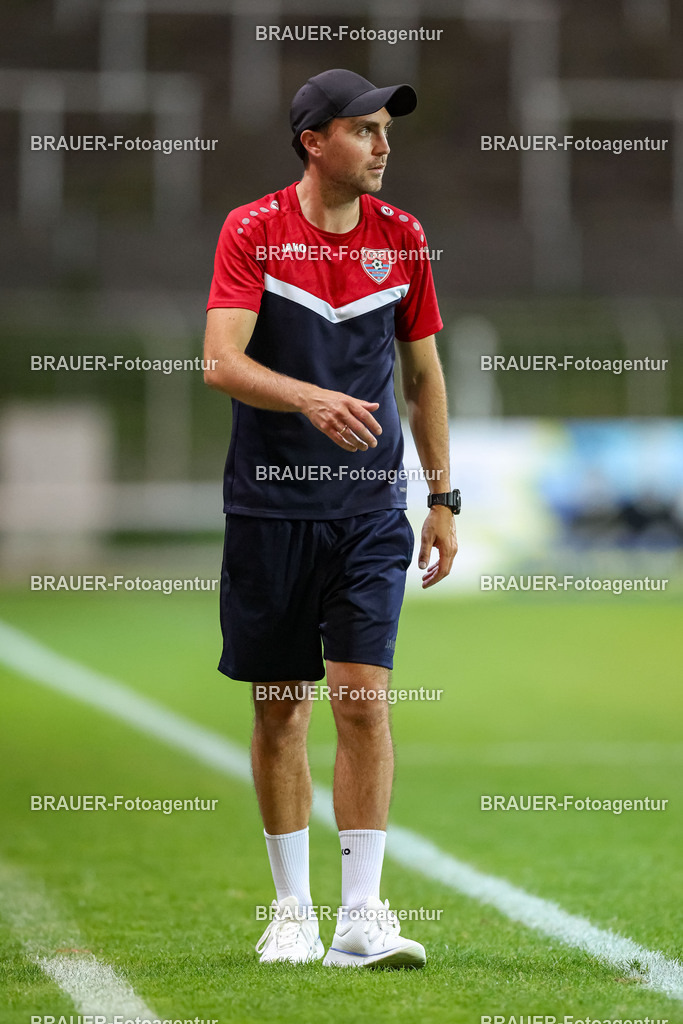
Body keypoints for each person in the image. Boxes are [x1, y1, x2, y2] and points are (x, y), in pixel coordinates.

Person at [204, 68, 459, 968]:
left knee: (361, 702)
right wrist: (309, 397)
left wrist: (441, 498)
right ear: (313, 141)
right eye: (364, 129)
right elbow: (220, 362)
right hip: (270, 506)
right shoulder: (253, 230)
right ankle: (290, 913)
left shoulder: (404, 237)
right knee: (281, 711)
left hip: (368, 511)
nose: (383, 145)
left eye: (386, 129)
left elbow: (422, 377)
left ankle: (360, 916)